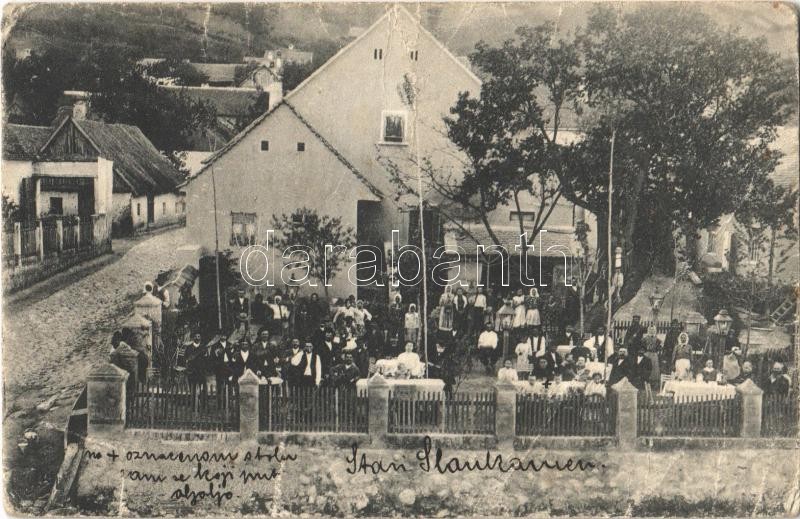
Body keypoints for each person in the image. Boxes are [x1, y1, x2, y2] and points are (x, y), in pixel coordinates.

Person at [642, 325, 661, 390]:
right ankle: (646, 383)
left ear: (655, 331)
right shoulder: (644, 339)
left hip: (654, 355)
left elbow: (659, 348)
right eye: (650, 330)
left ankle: (654, 384)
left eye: (653, 330)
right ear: (648, 331)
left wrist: (657, 349)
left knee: (654, 368)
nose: (652, 331)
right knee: (647, 368)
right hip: (647, 354)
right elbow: (642, 347)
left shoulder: (658, 340)